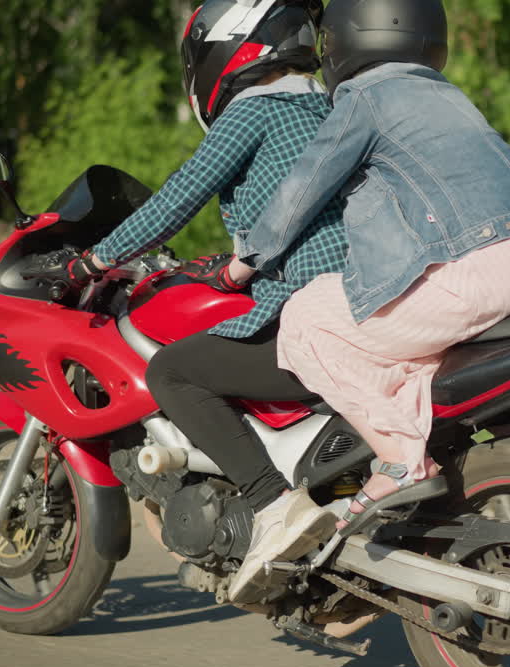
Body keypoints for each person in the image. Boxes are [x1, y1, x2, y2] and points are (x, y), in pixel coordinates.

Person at [232, 0, 510, 589]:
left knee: (309, 318)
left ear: (339, 40)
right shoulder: (446, 93)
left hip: (487, 268)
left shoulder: (365, 96)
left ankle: (399, 459)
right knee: (416, 342)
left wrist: (243, 264)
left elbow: (302, 192)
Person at [23, 0, 342, 593]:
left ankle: (274, 506)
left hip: (314, 311)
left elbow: (177, 199)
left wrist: (90, 260)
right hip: (376, 299)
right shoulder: (332, 107)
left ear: (223, 48)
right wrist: (237, 268)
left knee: (175, 372)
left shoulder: (255, 111)